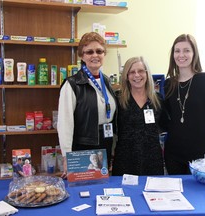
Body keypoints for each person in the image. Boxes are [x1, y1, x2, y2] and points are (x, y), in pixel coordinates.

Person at [57, 32, 117, 178]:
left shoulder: (107, 81)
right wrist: (66, 155)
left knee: (102, 186)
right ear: (82, 56)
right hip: (83, 146)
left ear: (104, 54)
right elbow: (65, 123)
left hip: (105, 143)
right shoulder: (72, 84)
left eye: (99, 51)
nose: (95, 55)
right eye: (89, 52)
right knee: (83, 189)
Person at [162, 34, 205, 175]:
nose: (181, 55)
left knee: (198, 195)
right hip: (173, 154)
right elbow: (166, 120)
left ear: (194, 53)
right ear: (173, 55)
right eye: (177, 51)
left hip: (200, 154)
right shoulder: (168, 83)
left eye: (186, 50)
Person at [112, 56, 164, 176]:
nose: (137, 75)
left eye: (140, 71)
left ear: (147, 73)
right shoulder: (118, 98)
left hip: (152, 161)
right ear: (126, 76)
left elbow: (164, 126)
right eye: (132, 72)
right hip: (125, 160)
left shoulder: (158, 100)